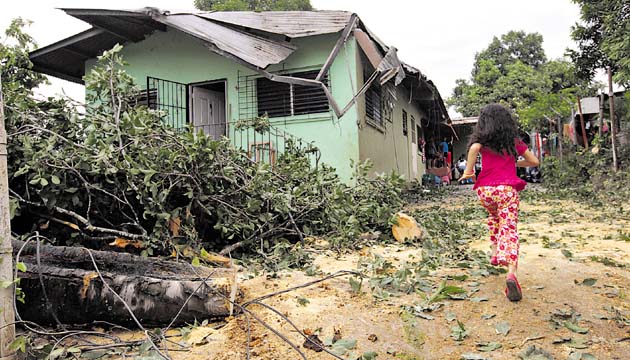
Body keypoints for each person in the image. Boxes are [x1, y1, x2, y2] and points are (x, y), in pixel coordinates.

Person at [459, 104, 539, 302]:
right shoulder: (514, 142)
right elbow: (534, 162)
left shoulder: (482, 142)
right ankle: (511, 273)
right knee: (509, 227)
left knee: (494, 216)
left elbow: (474, 148)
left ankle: (495, 252)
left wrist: (468, 171)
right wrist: (515, 162)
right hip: (506, 191)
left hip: (485, 192)